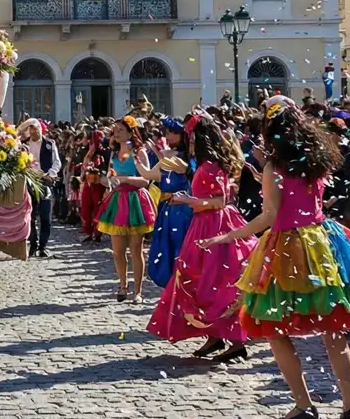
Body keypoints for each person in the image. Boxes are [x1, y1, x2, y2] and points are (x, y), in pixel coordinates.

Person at [200, 97, 350, 419]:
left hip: (287, 248)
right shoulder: (318, 159)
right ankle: (349, 405)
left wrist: (228, 236)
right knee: (334, 328)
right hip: (322, 243)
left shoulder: (276, 166)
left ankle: (303, 404)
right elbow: (303, 198)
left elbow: (270, 215)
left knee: (273, 328)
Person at [146, 113, 255, 362]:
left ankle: (236, 341)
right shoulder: (207, 163)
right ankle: (214, 336)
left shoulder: (212, 165)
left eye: (191, 137)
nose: (189, 141)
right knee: (198, 279)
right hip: (203, 224)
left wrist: (188, 200)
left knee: (218, 280)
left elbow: (219, 201)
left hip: (214, 225)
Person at [97, 116, 157, 302]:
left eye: (121, 130)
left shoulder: (139, 153)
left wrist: (125, 179)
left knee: (136, 248)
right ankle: (122, 285)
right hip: (117, 200)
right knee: (117, 250)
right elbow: (109, 177)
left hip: (135, 200)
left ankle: (137, 291)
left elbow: (146, 180)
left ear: (131, 132)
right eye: (115, 130)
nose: (117, 133)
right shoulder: (114, 154)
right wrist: (106, 180)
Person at [145, 117, 193, 287]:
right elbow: (149, 175)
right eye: (168, 132)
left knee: (179, 245)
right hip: (166, 206)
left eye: (174, 133)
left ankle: (181, 283)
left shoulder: (188, 156)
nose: (169, 136)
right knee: (164, 244)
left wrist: (160, 155)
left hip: (183, 208)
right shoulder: (167, 154)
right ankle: (171, 283)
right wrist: (139, 160)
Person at [19, 119, 60, 259]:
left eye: (36, 130)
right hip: (30, 182)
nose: (33, 132)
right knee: (30, 216)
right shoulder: (24, 146)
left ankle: (43, 246)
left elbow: (57, 162)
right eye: (31, 130)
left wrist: (51, 175)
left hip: (45, 182)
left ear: (40, 130)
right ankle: (33, 244)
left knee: (45, 217)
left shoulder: (49, 144)